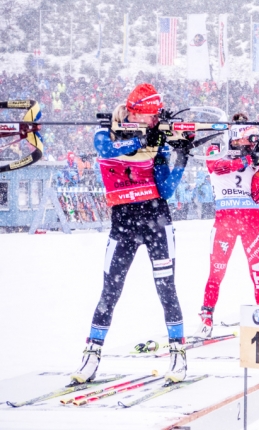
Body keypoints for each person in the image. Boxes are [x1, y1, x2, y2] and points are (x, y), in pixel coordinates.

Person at [71, 83, 192, 384]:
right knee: (109, 292)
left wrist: (180, 157)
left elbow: (165, 188)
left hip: (156, 220)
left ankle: (178, 354)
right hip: (123, 223)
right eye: (150, 116)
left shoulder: (157, 140)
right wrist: (140, 143)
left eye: (155, 118)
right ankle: (91, 355)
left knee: (166, 289)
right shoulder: (106, 133)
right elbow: (105, 149)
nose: (154, 122)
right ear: (135, 114)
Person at [195, 113, 259, 338]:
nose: (252, 143)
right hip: (225, 220)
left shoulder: (255, 156)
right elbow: (215, 167)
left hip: (250, 219)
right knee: (217, 271)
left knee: (258, 270)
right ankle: (207, 314)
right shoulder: (216, 148)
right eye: (249, 138)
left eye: (254, 139)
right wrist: (247, 160)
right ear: (237, 136)